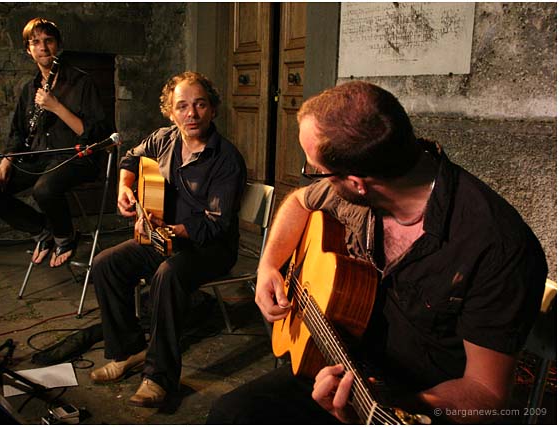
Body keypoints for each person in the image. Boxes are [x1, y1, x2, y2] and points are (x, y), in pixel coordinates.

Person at [207, 81, 547, 424]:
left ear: (357, 182)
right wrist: (269, 265)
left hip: (418, 397)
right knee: (230, 414)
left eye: (316, 170)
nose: (315, 178)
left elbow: (487, 393)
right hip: (343, 357)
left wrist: (390, 406)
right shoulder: (363, 182)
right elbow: (299, 202)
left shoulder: (498, 246)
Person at [89, 71, 247, 407]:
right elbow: (131, 158)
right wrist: (124, 188)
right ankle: (129, 351)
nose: (192, 113)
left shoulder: (227, 159)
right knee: (105, 264)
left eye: (200, 104)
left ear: (213, 109)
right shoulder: (163, 139)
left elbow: (215, 224)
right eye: (182, 106)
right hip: (165, 237)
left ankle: (158, 377)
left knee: (169, 274)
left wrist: (170, 230)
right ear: (170, 112)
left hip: (211, 247)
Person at [0, 17, 111, 268]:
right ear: (28, 50)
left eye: (49, 41)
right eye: (36, 42)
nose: (43, 47)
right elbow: (18, 132)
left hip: (77, 158)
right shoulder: (29, 89)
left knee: (43, 189)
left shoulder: (81, 82)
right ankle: (43, 230)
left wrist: (56, 107)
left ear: (58, 45)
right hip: (40, 158)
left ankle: (65, 236)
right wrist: (7, 161)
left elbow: (97, 134)